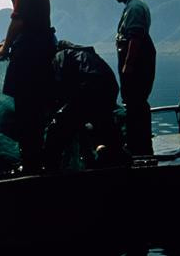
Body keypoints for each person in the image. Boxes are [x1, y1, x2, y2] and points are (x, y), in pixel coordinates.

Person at [0, 0, 56, 174]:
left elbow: (19, 20)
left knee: (26, 110)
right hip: (40, 51)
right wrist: (6, 42)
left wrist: (6, 46)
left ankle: (30, 164)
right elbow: (26, 20)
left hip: (30, 56)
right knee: (35, 110)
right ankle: (36, 160)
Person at [44, 41, 123, 170]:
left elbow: (60, 84)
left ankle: (49, 168)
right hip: (110, 87)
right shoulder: (88, 54)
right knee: (103, 123)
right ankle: (116, 157)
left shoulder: (61, 55)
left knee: (58, 126)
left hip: (89, 88)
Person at [111, 0, 156, 155]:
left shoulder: (135, 8)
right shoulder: (132, 6)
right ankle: (140, 144)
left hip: (136, 68)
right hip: (138, 66)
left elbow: (135, 39)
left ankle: (139, 147)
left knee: (135, 104)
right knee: (135, 104)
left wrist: (128, 65)